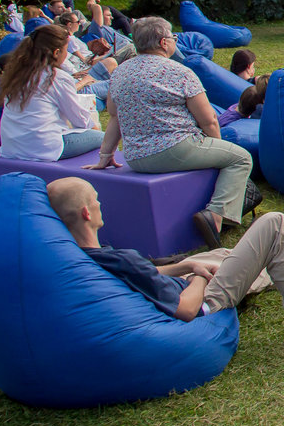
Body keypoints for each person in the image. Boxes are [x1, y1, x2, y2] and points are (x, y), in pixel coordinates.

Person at [48, 177, 284, 349]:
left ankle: (280, 253)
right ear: (87, 213)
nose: (101, 204)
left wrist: (185, 265)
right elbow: (186, 310)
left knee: (223, 256)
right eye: (96, 200)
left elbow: (141, 274)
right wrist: (197, 277)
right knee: (275, 223)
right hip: (198, 301)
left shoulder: (81, 258)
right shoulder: (118, 258)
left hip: (174, 286)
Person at [88, 16, 253, 251]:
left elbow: (114, 117)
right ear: (164, 42)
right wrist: (216, 149)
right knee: (240, 158)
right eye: (174, 37)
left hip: (136, 157)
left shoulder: (120, 73)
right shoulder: (180, 72)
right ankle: (216, 217)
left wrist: (105, 156)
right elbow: (208, 120)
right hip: (176, 149)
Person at [0, 25, 104, 161]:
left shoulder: (17, 73)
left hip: (11, 147)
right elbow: (79, 118)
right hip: (43, 148)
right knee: (106, 139)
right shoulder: (56, 77)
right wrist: (94, 129)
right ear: (56, 52)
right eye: (66, 50)